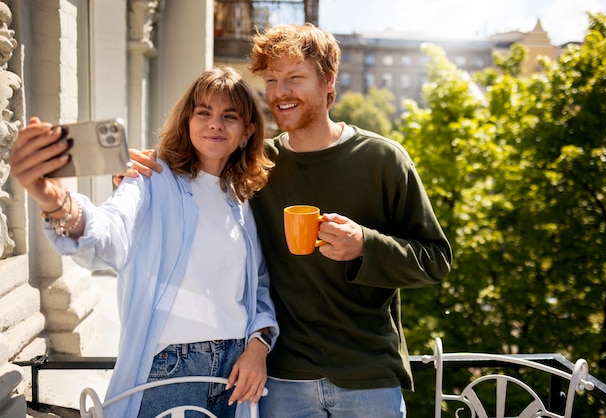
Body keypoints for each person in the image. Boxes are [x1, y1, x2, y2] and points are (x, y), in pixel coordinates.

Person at [125, 23, 452, 417]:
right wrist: (140, 171)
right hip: (283, 380)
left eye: (295, 78)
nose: (280, 92)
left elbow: (435, 260)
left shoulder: (383, 160)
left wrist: (366, 244)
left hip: (367, 377)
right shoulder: (256, 164)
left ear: (329, 82)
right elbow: (195, 167)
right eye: (272, 80)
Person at [9, 67, 279, 418]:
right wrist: (58, 204)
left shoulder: (241, 199)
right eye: (204, 113)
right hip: (170, 371)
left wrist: (258, 345)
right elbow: (108, 231)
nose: (216, 124)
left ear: (247, 132)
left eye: (230, 116)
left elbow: (257, 286)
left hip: (234, 375)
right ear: (187, 121)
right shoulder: (151, 178)